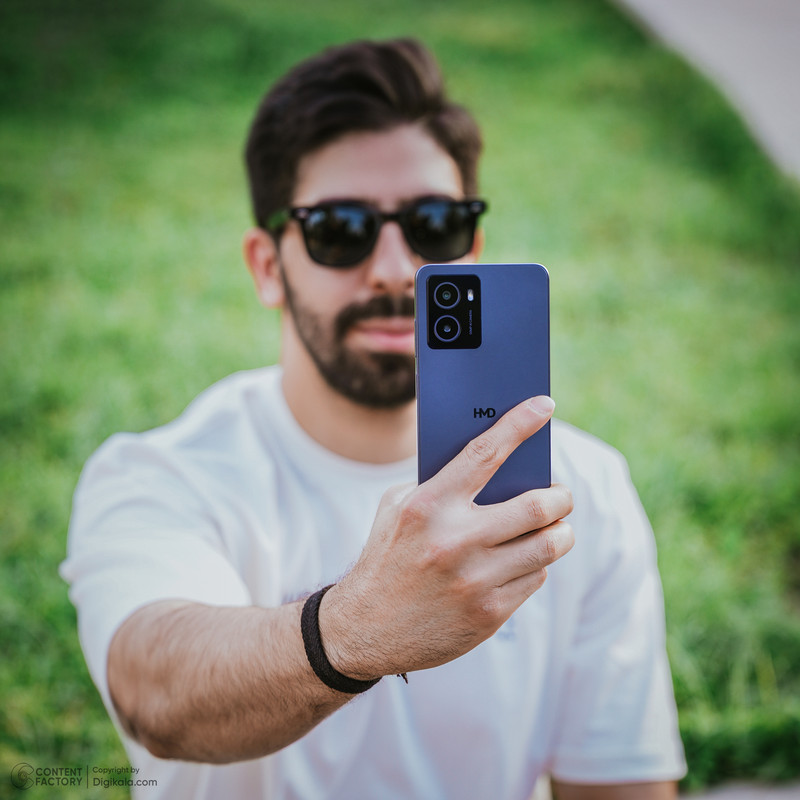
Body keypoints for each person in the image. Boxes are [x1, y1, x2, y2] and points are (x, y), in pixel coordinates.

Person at [61, 38, 686, 799]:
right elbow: (155, 695)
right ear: (267, 265)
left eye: (434, 224)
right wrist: (355, 629)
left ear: (472, 248)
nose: (395, 269)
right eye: (340, 230)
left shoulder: (577, 491)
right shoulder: (163, 476)